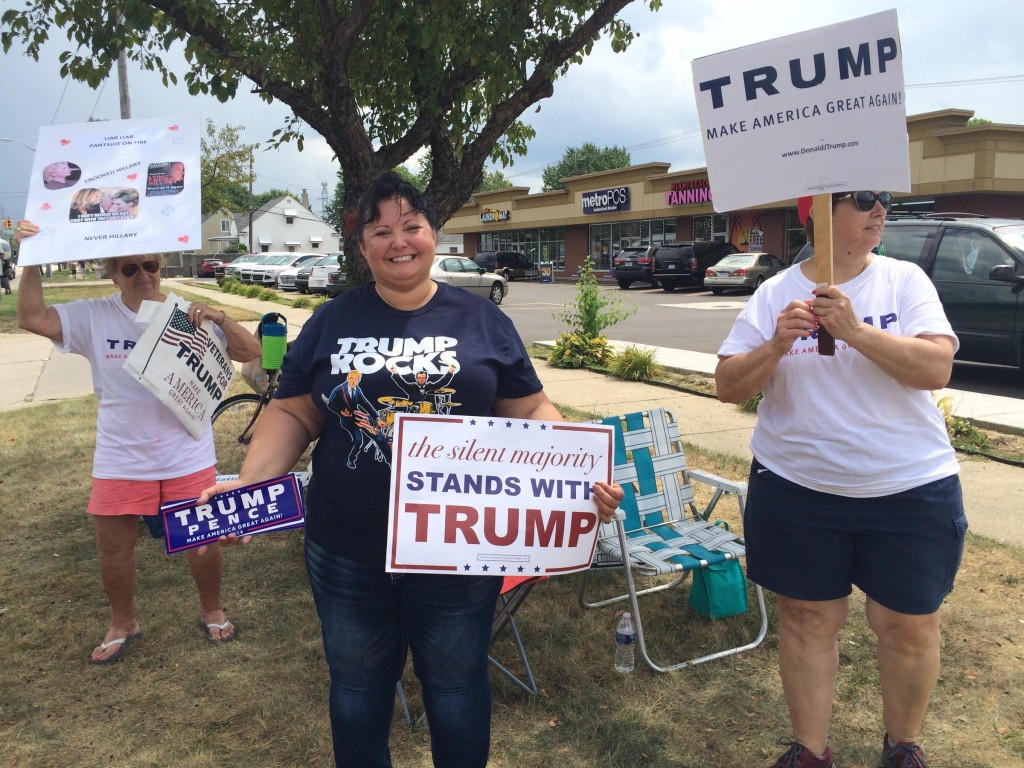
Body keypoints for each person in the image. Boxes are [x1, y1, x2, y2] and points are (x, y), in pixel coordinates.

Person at [196, 172, 625, 768]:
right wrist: (252, 482)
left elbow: (527, 406)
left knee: (454, 687)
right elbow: (294, 411)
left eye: (411, 226)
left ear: (433, 234)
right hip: (348, 546)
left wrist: (579, 474)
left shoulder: (483, 322)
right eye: (381, 230)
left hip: (457, 549)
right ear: (363, 246)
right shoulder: (330, 321)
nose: (399, 241)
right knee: (357, 688)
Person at [715, 191, 965, 768]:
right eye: (863, 200)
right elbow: (728, 385)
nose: (880, 210)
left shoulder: (904, 281)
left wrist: (854, 330)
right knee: (807, 618)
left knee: (905, 623)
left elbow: (935, 367)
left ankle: (902, 747)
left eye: (883, 200)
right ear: (818, 213)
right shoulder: (773, 293)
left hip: (907, 486)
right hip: (798, 486)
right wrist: (778, 342)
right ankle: (809, 751)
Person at [12, 219, 263, 664]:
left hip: (187, 453)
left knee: (203, 540)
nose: (142, 275)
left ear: (161, 266)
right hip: (120, 457)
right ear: (112, 274)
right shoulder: (94, 315)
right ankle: (122, 622)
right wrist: (30, 258)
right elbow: (31, 317)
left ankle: (212, 609)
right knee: (113, 546)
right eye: (130, 269)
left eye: (150, 265)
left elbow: (250, 353)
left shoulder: (188, 311)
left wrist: (221, 317)